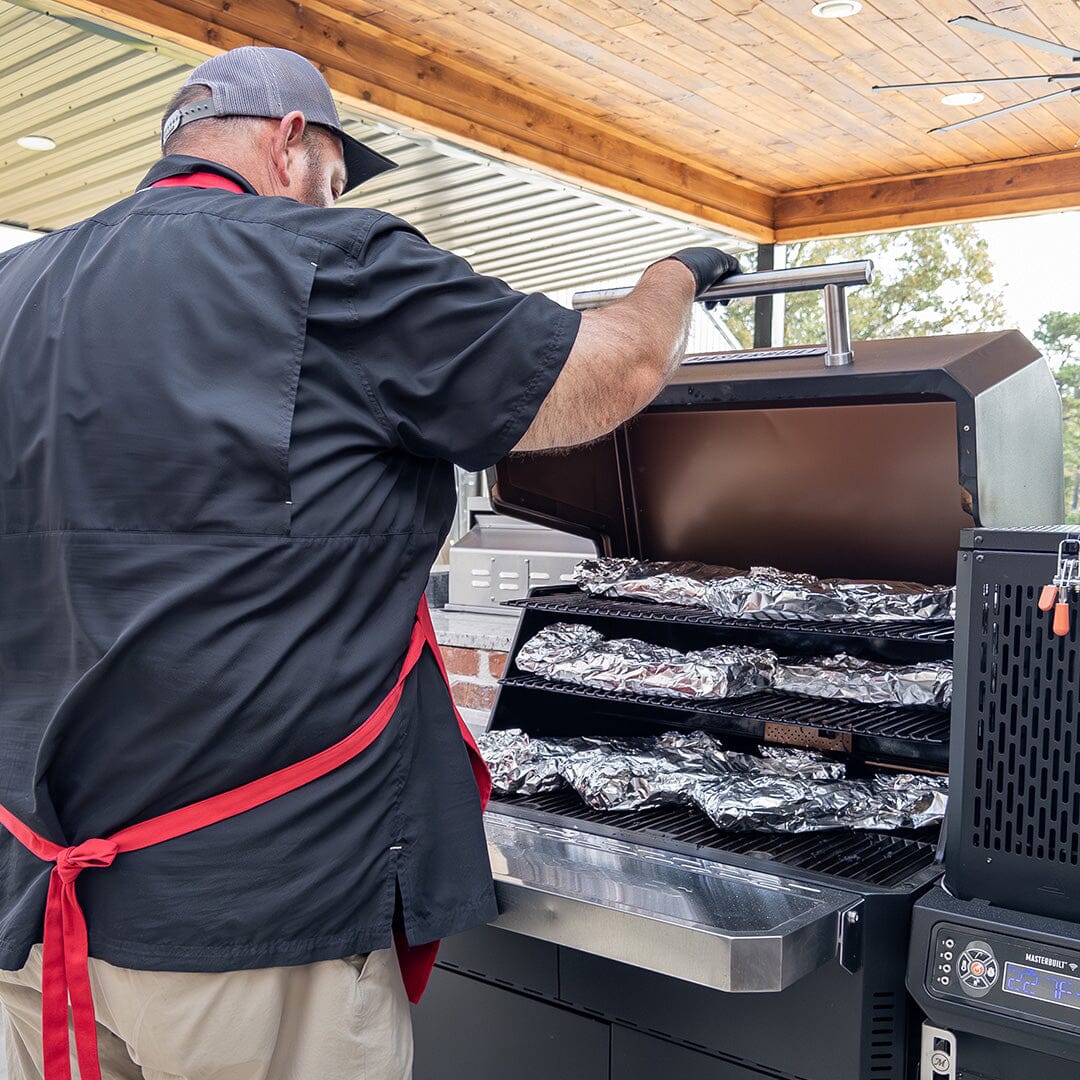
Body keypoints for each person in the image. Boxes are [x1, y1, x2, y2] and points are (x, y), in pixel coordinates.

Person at [0, 45, 741, 1080]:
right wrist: (674, 278)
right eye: (337, 176)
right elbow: (617, 368)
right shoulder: (326, 262)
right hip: (255, 930)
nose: (332, 199)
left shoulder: (16, 289)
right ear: (292, 141)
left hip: (35, 912)